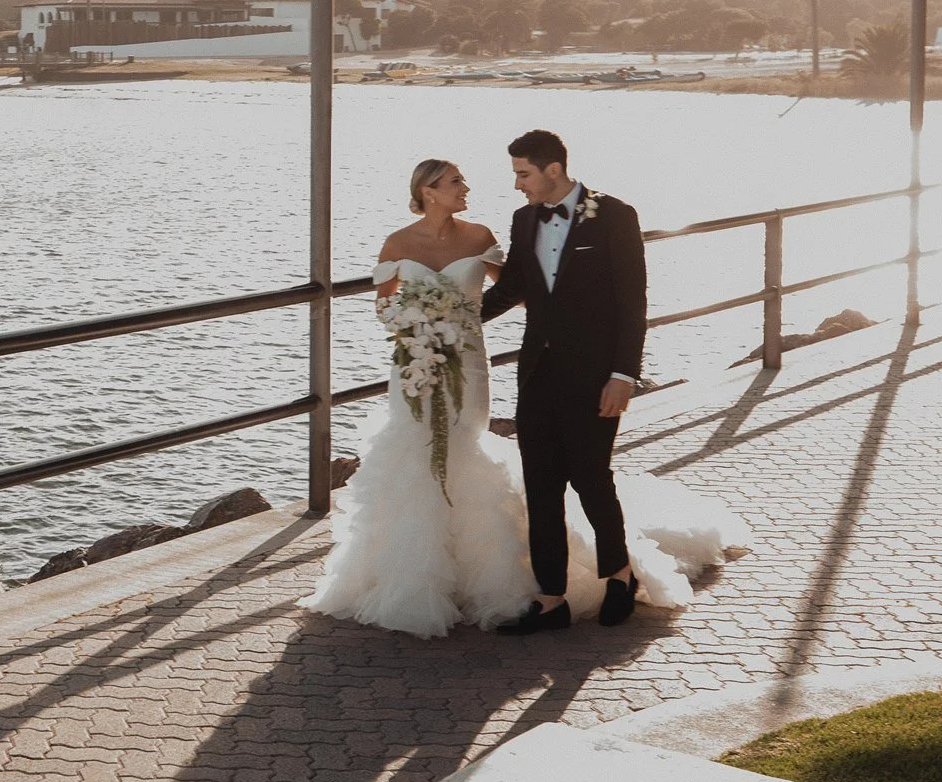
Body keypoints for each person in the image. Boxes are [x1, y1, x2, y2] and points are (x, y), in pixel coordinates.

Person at [300, 145, 747, 638]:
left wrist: (623, 373)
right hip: (526, 370)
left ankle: (619, 576)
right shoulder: (523, 220)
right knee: (540, 482)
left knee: (592, 477)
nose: (516, 184)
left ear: (551, 169)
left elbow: (632, 297)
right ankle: (550, 598)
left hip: (593, 371)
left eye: (522, 173)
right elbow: (511, 288)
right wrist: (440, 328)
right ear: (427, 191)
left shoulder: (613, 215)